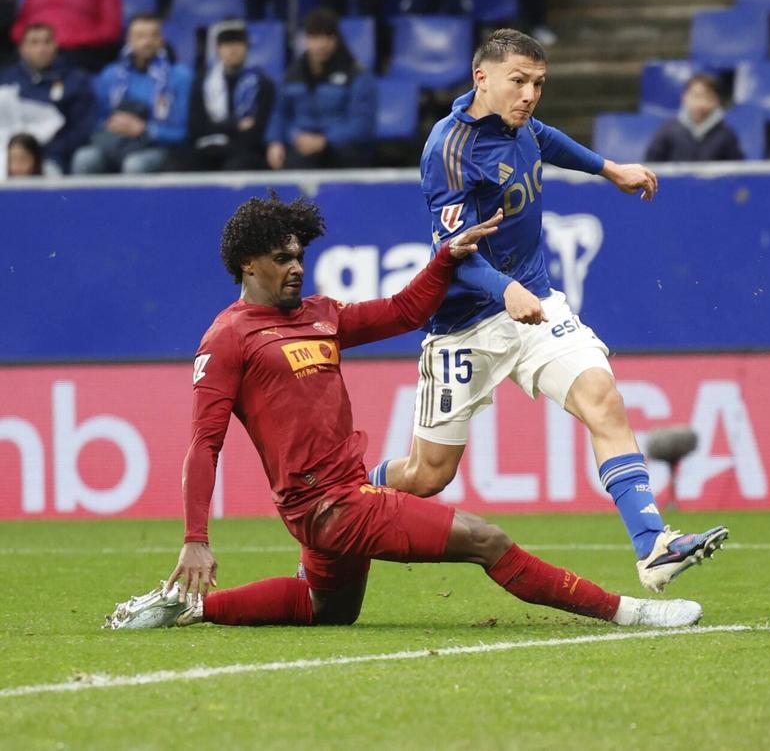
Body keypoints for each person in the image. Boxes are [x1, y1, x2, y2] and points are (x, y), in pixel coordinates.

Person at [103, 193, 703, 631]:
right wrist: (195, 539)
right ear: (247, 265)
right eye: (281, 258)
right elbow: (203, 446)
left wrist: (446, 259)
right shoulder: (227, 339)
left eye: (299, 255)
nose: (295, 266)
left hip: (340, 496)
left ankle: (193, 607)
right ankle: (631, 611)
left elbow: (403, 312)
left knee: (325, 609)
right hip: (329, 505)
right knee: (487, 541)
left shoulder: (319, 313)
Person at [368, 29, 728, 593]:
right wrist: (501, 289)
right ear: (480, 77)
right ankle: (337, 502)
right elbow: (452, 254)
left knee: (602, 398)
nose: (530, 94)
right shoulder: (449, 148)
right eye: (519, 81)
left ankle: (653, 547)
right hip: (465, 325)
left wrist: (609, 169)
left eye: (538, 83)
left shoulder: (521, 123)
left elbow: (545, 139)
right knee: (427, 474)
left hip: (537, 301)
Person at [72, 13, 192, 174]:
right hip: (115, 142)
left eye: (153, 35)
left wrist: (145, 130)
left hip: (158, 147)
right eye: (140, 36)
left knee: (135, 165)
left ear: (162, 40)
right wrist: (112, 124)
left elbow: (184, 131)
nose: (147, 42)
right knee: (84, 158)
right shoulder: (111, 74)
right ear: (129, 40)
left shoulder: (180, 76)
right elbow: (96, 120)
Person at [266, 8, 376, 170]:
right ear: (305, 40)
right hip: (301, 146)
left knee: (349, 154)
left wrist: (324, 140)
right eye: (315, 37)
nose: (321, 44)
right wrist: (275, 141)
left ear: (337, 40)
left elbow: (362, 125)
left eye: (328, 37)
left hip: (342, 148)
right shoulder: (291, 74)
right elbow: (279, 113)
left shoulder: (357, 74)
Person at [173, 20, 274, 172]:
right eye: (226, 44)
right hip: (208, 147)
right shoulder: (202, 84)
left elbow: (257, 132)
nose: (232, 50)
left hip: (245, 151)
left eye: (238, 43)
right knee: (184, 162)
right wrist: (235, 125)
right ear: (218, 49)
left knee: (238, 165)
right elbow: (196, 129)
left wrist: (218, 128)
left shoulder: (263, 84)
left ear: (247, 47)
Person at [0, 23, 96, 174]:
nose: (41, 49)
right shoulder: (5, 80)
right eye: (34, 42)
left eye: (47, 42)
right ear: (22, 49)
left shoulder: (74, 80)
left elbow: (82, 128)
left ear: (55, 45)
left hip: (52, 157)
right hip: (6, 157)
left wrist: (42, 150)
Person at [645, 73, 744, 163]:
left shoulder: (727, 135)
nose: (701, 102)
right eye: (696, 96)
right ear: (684, 97)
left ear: (716, 101)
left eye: (708, 97)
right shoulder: (668, 131)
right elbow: (652, 164)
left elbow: (737, 169)